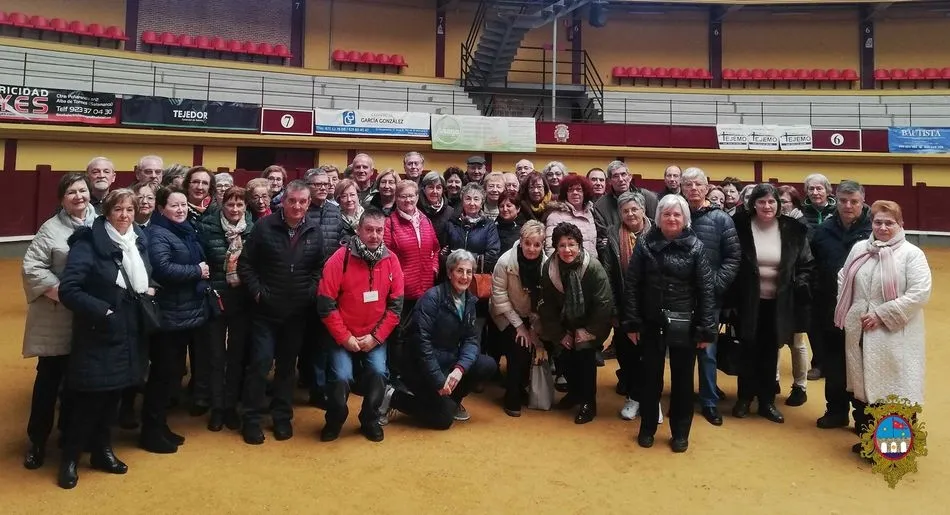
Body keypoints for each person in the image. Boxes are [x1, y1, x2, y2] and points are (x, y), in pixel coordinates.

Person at [57, 189, 152, 489]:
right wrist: (104, 311)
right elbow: (69, 289)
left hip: (129, 329)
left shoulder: (138, 240)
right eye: (118, 210)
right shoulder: (89, 242)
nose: (124, 216)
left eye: (129, 210)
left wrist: (150, 289)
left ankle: (102, 451)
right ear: (107, 213)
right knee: (89, 400)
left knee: (113, 396)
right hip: (100, 329)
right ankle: (70, 458)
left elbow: (142, 278)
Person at [621, 194, 716, 452]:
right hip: (651, 322)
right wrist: (631, 322)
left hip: (684, 323)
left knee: (683, 381)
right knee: (650, 378)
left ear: (685, 219)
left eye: (677, 214)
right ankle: (648, 427)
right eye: (666, 214)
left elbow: (707, 290)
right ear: (658, 218)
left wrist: (706, 328)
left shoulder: (696, 246)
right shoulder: (645, 244)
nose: (671, 218)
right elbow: (632, 285)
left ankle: (680, 432)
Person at [835, 201, 931, 454]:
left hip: (895, 334)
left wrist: (882, 313)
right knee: (864, 389)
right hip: (860, 330)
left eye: (889, 222)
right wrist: (851, 308)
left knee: (894, 390)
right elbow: (844, 277)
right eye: (878, 222)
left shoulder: (911, 254)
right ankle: (870, 442)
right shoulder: (859, 249)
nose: (883, 227)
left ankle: (893, 450)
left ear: (900, 225)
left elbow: (920, 292)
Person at [238, 180, 325, 444]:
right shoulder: (265, 227)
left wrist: (309, 292)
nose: (297, 206)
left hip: (296, 314)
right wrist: (258, 293)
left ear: (308, 203)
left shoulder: (315, 230)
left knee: (287, 368)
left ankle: (281, 418)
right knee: (261, 364)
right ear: (283, 201)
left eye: (302, 202)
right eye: (292, 201)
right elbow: (246, 265)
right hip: (265, 312)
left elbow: (319, 268)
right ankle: (251, 420)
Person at [20, 173, 97, 470]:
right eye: (71, 193)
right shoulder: (50, 229)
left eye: (82, 190)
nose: (79, 196)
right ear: (62, 199)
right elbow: (32, 268)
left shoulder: (101, 222)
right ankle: (37, 441)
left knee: (78, 382)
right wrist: (67, 294)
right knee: (49, 381)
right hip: (57, 315)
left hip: (89, 317)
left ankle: (70, 436)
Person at [318, 208, 405, 442]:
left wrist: (376, 338)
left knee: (379, 372)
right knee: (342, 377)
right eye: (369, 230)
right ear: (358, 230)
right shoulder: (340, 258)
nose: (374, 236)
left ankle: (370, 418)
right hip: (342, 334)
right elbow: (326, 304)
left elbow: (395, 307)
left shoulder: (391, 260)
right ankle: (335, 418)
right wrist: (344, 337)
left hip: (374, 335)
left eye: (379, 231)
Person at [385, 250, 498, 429]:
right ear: (449, 272)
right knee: (442, 419)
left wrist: (460, 369)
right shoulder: (432, 298)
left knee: (487, 364)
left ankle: (451, 400)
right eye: (460, 271)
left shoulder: (469, 301)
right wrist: (438, 380)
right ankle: (393, 397)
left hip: (447, 360)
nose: (465, 276)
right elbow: (421, 345)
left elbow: (471, 340)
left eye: (469, 272)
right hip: (419, 367)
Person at [731, 184, 814, 425]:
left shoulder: (794, 229)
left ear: (778, 204)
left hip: (780, 303)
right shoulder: (739, 227)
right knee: (747, 349)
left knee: (769, 351)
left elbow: (807, 264)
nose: (767, 206)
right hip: (747, 301)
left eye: (771, 202)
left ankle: (767, 402)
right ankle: (744, 399)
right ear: (753, 204)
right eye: (761, 202)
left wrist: (799, 284)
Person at [141, 187, 212, 453]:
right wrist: (197, 271)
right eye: (174, 205)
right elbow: (163, 268)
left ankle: (159, 427)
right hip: (169, 314)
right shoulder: (158, 233)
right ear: (161, 209)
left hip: (182, 313)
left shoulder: (184, 229)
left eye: (183, 204)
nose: (181, 209)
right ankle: (150, 430)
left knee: (169, 374)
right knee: (162, 374)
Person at [680, 168, 741, 426]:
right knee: (681, 351)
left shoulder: (722, 220)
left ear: (707, 188)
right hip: (679, 298)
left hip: (709, 298)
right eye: (688, 184)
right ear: (681, 188)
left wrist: (715, 285)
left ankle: (709, 401)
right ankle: (681, 400)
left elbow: (733, 256)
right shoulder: (675, 215)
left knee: (708, 351)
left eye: (698, 184)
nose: (693, 188)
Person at [810, 180, 872, 430]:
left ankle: (863, 418)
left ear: (862, 201)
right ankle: (835, 411)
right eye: (844, 201)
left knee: (861, 365)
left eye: (854, 201)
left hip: (863, 311)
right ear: (836, 200)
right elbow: (812, 264)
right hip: (830, 308)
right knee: (834, 362)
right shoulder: (823, 231)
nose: (848, 206)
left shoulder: (874, 230)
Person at [540, 222, 614, 424]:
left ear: (579, 245)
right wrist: (559, 334)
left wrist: (587, 332)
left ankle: (588, 403)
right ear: (556, 247)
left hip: (591, 324)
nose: (567, 250)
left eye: (571, 244)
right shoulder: (550, 268)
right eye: (562, 245)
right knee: (562, 352)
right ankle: (574, 393)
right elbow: (546, 305)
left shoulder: (593, 268)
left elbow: (604, 304)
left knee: (584, 354)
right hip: (564, 324)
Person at [197, 186, 254, 432]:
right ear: (222, 204)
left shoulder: (253, 230)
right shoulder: (208, 227)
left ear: (245, 207)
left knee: (236, 357)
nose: (234, 209)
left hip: (242, 301)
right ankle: (217, 407)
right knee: (216, 357)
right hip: (216, 299)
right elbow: (201, 262)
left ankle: (231, 406)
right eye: (230, 204)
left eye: (239, 205)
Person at [598, 191, 652, 420]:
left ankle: (649, 398)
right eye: (625, 210)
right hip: (622, 306)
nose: (630, 214)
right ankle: (632, 396)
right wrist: (613, 310)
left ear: (643, 210)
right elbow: (608, 274)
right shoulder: (612, 235)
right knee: (627, 355)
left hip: (651, 307)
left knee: (650, 356)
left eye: (634, 209)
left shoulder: (657, 233)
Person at [384, 180, 440, 397]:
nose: (408, 200)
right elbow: (387, 256)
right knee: (399, 336)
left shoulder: (424, 220)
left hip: (425, 289)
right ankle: (396, 378)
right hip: (401, 292)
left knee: (421, 334)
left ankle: (416, 375)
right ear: (396, 198)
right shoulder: (390, 223)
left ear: (418, 197)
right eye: (403, 196)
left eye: (412, 196)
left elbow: (435, 248)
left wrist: (434, 268)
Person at [490, 221, 545, 417]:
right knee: (519, 346)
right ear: (520, 241)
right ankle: (511, 394)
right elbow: (499, 297)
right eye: (528, 243)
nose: (532, 249)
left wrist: (533, 325)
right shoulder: (505, 262)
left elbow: (543, 300)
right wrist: (521, 326)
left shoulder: (546, 266)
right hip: (505, 314)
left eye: (537, 244)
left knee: (535, 344)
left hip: (531, 315)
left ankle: (522, 385)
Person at [302, 168, 344, 403]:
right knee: (301, 339)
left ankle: (318, 389)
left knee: (321, 340)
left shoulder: (335, 212)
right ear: (308, 185)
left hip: (328, 285)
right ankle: (303, 380)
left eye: (325, 184)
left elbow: (344, 238)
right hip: (301, 283)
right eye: (316, 184)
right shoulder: (300, 208)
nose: (321, 188)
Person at [776, 184, 810, 406]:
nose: (781, 205)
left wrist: (798, 285)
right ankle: (774, 379)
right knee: (775, 340)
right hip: (775, 293)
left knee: (797, 342)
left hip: (795, 293)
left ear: (794, 204)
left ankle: (800, 386)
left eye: (785, 201)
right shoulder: (772, 225)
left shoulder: (801, 228)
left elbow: (806, 263)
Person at [595, 161, 659, 234]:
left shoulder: (648, 197)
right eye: (616, 176)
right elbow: (602, 238)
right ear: (609, 181)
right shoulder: (601, 206)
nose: (621, 179)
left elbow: (658, 226)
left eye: (623, 174)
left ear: (630, 177)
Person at [544, 174, 599, 258]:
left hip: (590, 266)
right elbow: (551, 249)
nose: (575, 193)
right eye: (570, 190)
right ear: (565, 193)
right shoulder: (555, 216)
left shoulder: (590, 213)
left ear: (585, 193)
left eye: (579, 189)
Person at [419, 171, 456, 243]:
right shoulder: (416, 209)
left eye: (438, 188)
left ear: (443, 190)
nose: (435, 191)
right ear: (423, 189)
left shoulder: (450, 211)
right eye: (431, 187)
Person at [335, 178, 364, 243]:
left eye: (352, 195)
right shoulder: (334, 216)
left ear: (358, 196)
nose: (349, 199)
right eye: (344, 196)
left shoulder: (367, 215)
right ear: (338, 199)